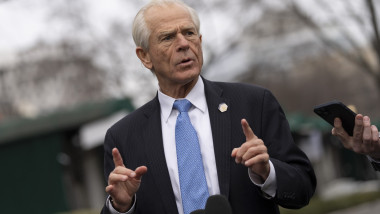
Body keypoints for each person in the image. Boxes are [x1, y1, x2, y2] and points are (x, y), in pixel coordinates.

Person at [101, 0, 316, 214]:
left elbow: (303, 187)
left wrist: (267, 172)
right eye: (167, 37)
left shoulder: (254, 103)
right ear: (145, 56)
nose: (184, 44)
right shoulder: (123, 137)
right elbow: (118, 205)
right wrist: (120, 207)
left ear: (200, 41)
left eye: (189, 33)